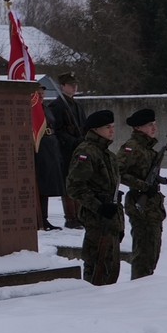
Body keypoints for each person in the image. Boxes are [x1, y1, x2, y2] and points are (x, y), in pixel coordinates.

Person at [65, 109, 122, 286]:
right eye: (107, 127)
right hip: (97, 220)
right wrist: (98, 206)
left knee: (111, 269)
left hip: (110, 219)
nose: (112, 130)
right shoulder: (87, 152)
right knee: (97, 269)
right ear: (95, 129)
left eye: (113, 126)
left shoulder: (108, 154)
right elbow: (74, 187)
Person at [117, 108, 166, 280]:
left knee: (152, 253)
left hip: (152, 208)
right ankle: (139, 287)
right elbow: (118, 172)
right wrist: (143, 186)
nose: (154, 128)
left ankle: (145, 285)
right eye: (149, 125)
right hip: (141, 206)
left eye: (154, 124)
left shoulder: (147, 148)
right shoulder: (132, 147)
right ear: (138, 128)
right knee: (143, 255)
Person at [47, 73, 88, 228]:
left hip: (79, 148)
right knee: (68, 182)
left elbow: (84, 125)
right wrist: (73, 141)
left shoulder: (77, 105)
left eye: (75, 84)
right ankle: (70, 217)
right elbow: (57, 130)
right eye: (70, 84)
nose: (74, 87)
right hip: (65, 150)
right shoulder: (57, 106)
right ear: (62, 86)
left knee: (79, 180)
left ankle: (79, 215)